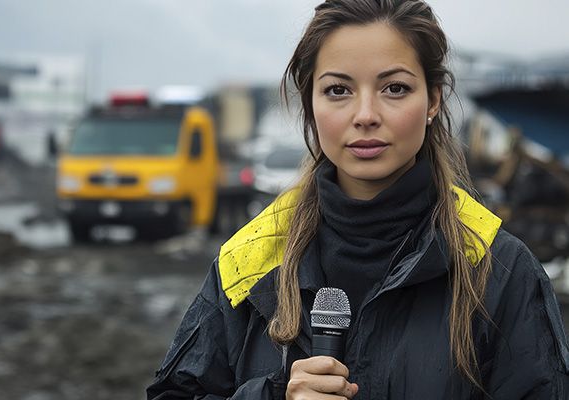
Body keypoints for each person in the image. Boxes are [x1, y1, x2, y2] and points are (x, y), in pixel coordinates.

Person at [147, 1, 569, 399]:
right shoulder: (247, 264)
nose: (365, 114)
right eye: (337, 90)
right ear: (310, 104)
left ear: (433, 100)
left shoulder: (499, 271)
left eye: (395, 88)